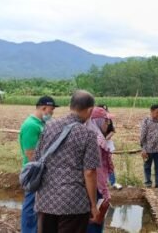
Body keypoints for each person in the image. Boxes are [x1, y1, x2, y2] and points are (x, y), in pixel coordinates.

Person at [35, 90, 101, 233]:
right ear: (90, 110)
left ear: (71, 106)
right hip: (73, 202)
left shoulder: (48, 127)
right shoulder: (88, 135)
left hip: (46, 199)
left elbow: (37, 157)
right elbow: (89, 172)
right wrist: (94, 205)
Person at [19, 95, 59, 233]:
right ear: (43, 108)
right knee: (30, 205)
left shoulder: (41, 124)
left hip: (40, 169)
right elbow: (30, 153)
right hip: (34, 172)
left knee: (38, 204)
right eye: (51, 109)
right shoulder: (31, 125)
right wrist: (39, 173)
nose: (52, 113)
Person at [86, 107, 115, 233]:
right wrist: (103, 194)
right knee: (95, 222)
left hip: (89, 187)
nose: (107, 124)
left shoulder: (89, 134)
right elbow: (94, 171)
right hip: (94, 188)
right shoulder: (96, 140)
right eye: (106, 121)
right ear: (97, 121)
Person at [140, 104, 158, 188]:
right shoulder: (146, 121)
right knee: (147, 166)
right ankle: (148, 183)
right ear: (151, 112)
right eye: (157, 112)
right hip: (148, 150)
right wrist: (143, 149)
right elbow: (142, 136)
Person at [98, 104, 122, 190]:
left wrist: (105, 138)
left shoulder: (108, 119)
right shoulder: (92, 121)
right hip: (97, 144)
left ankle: (112, 182)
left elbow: (112, 130)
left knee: (108, 163)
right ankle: (101, 183)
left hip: (107, 144)